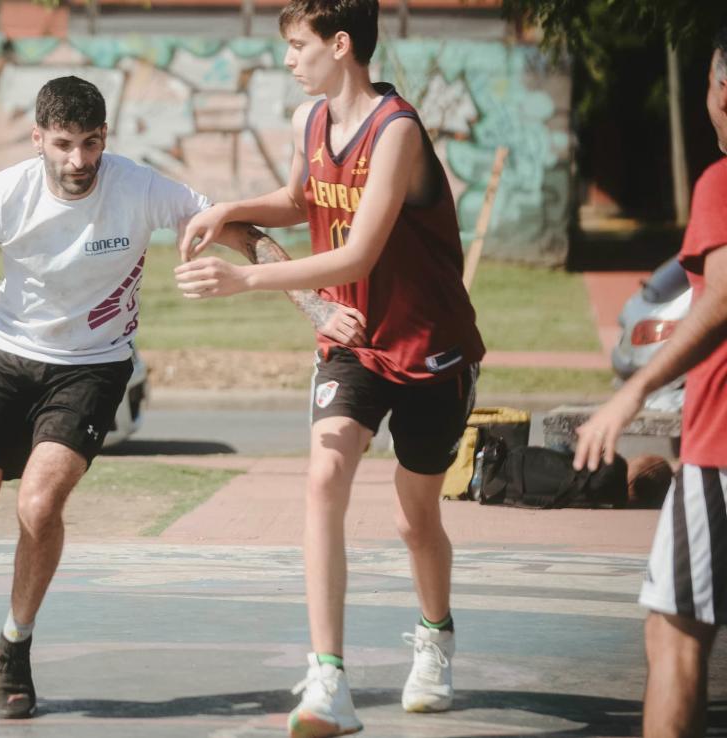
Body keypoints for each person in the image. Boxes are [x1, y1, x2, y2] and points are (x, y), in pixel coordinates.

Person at [0, 75, 358, 719]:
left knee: (40, 503)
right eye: (64, 144)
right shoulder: (6, 194)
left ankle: (14, 646)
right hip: (5, 355)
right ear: (37, 140)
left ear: (106, 137)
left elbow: (239, 232)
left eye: (91, 143)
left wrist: (314, 306)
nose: (79, 160)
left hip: (92, 366)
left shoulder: (138, 188)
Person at [173, 1, 485, 735]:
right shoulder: (309, 123)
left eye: (296, 44)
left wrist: (244, 280)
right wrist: (228, 210)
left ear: (340, 45)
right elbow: (294, 200)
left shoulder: (396, 131)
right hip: (351, 342)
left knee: (417, 520)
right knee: (323, 476)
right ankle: (329, 679)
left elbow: (357, 255)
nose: (287, 58)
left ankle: (435, 638)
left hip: (429, 347)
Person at [572, 25, 727, 738]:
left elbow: (722, 299)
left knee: (676, 635)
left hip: (720, 447)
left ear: (720, 89)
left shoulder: (722, 181)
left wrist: (633, 390)